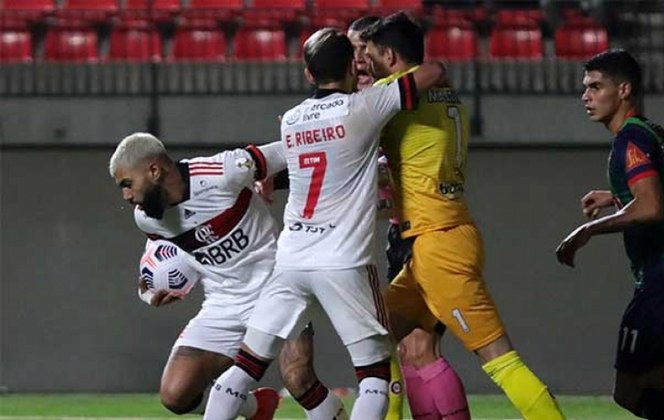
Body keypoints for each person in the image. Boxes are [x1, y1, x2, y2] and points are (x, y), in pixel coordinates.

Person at [202, 28, 447, 420]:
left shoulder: (292, 120)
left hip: (292, 261)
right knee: (373, 377)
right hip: (344, 260)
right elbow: (434, 70)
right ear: (353, 66)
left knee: (245, 366)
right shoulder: (364, 107)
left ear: (307, 74)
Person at [361, 13, 566, 420]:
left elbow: (348, 132)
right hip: (440, 238)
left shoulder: (393, 96)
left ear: (388, 55)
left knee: (500, 359)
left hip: (439, 245)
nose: (363, 66)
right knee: (375, 338)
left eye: (368, 57)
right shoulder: (444, 91)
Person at [109, 132, 347, 420]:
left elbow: (295, 149)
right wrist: (148, 292)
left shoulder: (224, 171)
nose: (126, 196)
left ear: (155, 171)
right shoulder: (146, 218)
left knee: (298, 379)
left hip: (279, 289)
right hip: (224, 303)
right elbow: (159, 262)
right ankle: (257, 408)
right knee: (176, 394)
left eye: (127, 184)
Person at [555, 49, 664, 420]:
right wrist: (616, 196)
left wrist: (586, 231)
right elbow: (660, 194)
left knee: (628, 391)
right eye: (585, 88)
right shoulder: (652, 131)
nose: (586, 96)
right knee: (653, 380)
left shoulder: (630, 140)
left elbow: (651, 208)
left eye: (596, 86)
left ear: (623, 89)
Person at [349, 14, 471, 420]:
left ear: (383, 54)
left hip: (424, 230)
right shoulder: (398, 91)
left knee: (411, 347)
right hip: (407, 229)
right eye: (351, 51)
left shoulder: (391, 96)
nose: (357, 59)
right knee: (403, 348)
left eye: (361, 49)